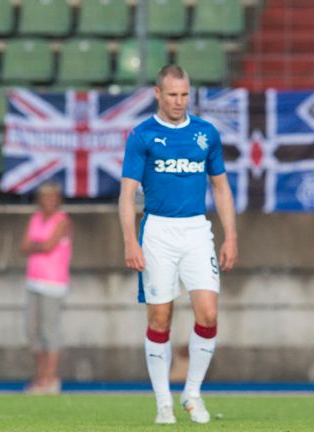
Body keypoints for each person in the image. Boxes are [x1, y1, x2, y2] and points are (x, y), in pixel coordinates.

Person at [119, 64, 238, 425]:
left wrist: (231, 235)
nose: (179, 101)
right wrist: (129, 241)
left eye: (184, 95)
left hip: (196, 231)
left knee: (209, 313)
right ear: (158, 94)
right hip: (157, 231)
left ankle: (192, 392)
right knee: (160, 318)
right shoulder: (142, 135)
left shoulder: (205, 133)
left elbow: (220, 186)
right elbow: (126, 194)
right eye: (172, 94)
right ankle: (162, 402)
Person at [21, 181, 72, 395]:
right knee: (31, 330)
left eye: (52, 198)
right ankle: (41, 374)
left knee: (49, 330)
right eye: (45, 198)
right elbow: (24, 246)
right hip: (34, 280)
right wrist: (37, 246)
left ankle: (50, 377)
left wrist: (36, 245)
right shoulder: (35, 219)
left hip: (53, 282)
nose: (48, 202)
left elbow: (48, 245)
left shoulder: (62, 220)